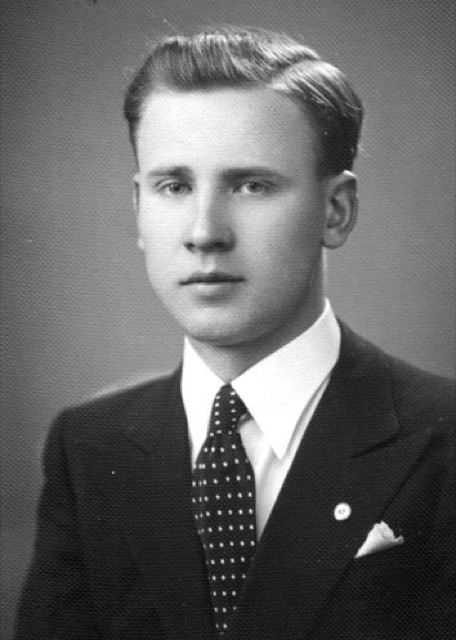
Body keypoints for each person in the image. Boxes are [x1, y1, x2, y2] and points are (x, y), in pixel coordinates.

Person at [14, 27, 455, 640]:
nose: (204, 233)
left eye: (252, 185)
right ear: (139, 208)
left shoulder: (443, 438)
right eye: (174, 187)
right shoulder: (89, 447)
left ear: (336, 210)